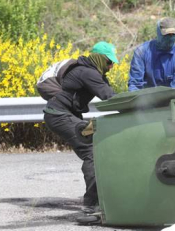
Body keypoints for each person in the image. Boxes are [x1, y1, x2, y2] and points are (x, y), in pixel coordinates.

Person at [43, 41, 118, 222]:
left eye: (113, 63)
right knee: (92, 152)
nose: (111, 66)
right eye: (109, 62)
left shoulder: (94, 71)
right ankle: (91, 206)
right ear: (100, 59)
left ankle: (100, 199)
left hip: (67, 115)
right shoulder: (88, 72)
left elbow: (111, 92)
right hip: (59, 116)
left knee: (97, 147)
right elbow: (108, 96)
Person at [128, 17, 175, 91]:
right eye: (166, 35)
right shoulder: (141, 52)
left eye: (173, 35)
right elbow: (135, 86)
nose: (170, 39)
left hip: (170, 100)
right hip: (143, 99)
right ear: (158, 33)